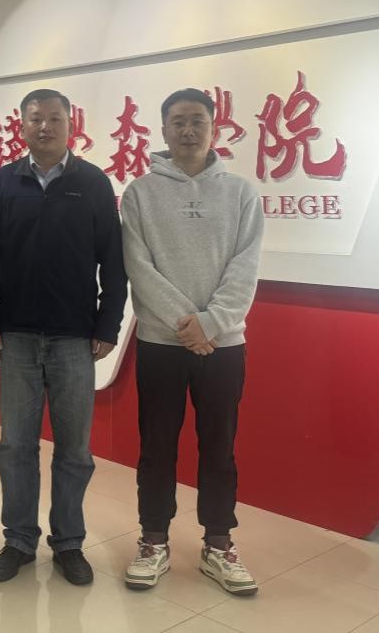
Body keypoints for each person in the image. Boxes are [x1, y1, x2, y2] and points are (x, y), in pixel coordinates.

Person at [0, 88, 126, 586]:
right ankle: (18, 539)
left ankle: (69, 543)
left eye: (54, 118)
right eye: (35, 118)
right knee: (16, 445)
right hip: (16, 336)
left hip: (74, 338)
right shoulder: (4, 182)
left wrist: (108, 325)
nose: (45, 127)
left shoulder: (93, 183)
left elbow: (113, 261)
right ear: (22, 126)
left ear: (69, 125)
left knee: (74, 450)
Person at [119, 88, 263, 596]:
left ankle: (218, 544)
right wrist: (189, 324)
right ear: (163, 129)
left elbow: (246, 266)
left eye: (197, 120)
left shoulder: (241, 193)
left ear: (213, 127)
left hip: (223, 346)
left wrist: (212, 323)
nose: (187, 130)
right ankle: (153, 540)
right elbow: (138, 266)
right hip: (161, 343)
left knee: (219, 448)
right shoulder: (140, 193)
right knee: (156, 446)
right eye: (177, 121)